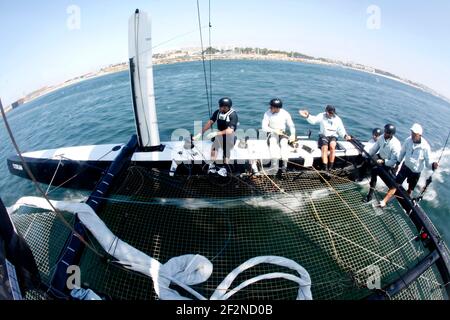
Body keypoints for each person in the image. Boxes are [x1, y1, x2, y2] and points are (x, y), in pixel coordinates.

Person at [378, 123, 439, 207]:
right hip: (405, 167)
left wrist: (433, 165)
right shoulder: (408, 140)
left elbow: (428, 163)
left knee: (410, 190)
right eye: (412, 133)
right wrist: (397, 164)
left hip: (415, 172)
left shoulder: (425, 147)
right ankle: (384, 201)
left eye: (415, 134)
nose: (412, 135)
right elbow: (402, 153)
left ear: (420, 135)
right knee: (395, 184)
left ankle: (405, 201)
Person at [299, 105, 351, 171]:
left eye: (332, 113)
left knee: (332, 147)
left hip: (333, 136)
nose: (331, 114)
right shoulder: (322, 116)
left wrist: (345, 136)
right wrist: (307, 116)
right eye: (329, 112)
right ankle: (325, 168)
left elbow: (341, 130)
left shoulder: (338, 119)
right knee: (325, 148)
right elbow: (314, 120)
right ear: (326, 111)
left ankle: (330, 167)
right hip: (323, 136)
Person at [194, 97, 238, 173]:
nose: (219, 107)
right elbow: (210, 122)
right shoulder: (217, 112)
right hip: (220, 134)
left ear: (226, 107)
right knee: (214, 147)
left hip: (229, 136)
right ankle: (212, 165)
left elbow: (230, 130)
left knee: (226, 149)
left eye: (220, 106)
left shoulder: (233, 115)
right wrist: (200, 133)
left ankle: (225, 167)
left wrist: (216, 133)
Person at [364, 124, 401, 202]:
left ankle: (388, 198)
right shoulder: (381, 138)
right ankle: (370, 195)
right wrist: (366, 155)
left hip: (388, 163)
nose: (385, 133)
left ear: (391, 134)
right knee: (372, 166)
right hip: (380, 157)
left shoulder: (396, 145)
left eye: (387, 132)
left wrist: (384, 161)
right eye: (385, 131)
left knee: (392, 185)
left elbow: (393, 161)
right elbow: (374, 149)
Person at [262, 98, 296, 174]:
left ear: (277, 108)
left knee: (284, 144)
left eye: (272, 107)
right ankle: (274, 167)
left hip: (282, 132)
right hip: (272, 132)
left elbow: (291, 125)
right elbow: (264, 127)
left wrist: (293, 135)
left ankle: (285, 166)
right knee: (273, 144)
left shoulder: (285, 114)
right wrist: (274, 130)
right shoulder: (267, 113)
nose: (270, 108)